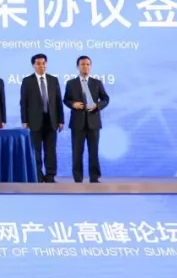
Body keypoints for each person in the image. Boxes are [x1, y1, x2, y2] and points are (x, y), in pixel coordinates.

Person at [63, 55, 110, 183]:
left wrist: (97, 106)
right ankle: (77, 178)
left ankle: (94, 177)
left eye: (88, 64)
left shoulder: (97, 83)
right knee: (77, 152)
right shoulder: (71, 83)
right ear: (78, 67)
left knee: (93, 152)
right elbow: (66, 100)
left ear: (91, 66)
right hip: (77, 123)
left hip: (93, 122)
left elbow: (106, 99)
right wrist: (73, 104)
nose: (85, 67)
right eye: (83, 64)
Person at [20, 53, 63, 182]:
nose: (41, 66)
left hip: (51, 121)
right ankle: (37, 176)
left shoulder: (53, 80)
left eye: (44, 63)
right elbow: (24, 102)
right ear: (33, 65)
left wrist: (61, 120)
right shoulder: (27, 81)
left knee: (51, 150)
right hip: (34, 121)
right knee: (36, 151)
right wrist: (24, 120)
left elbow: (58, 101)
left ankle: (50, 176)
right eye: (38, 63)